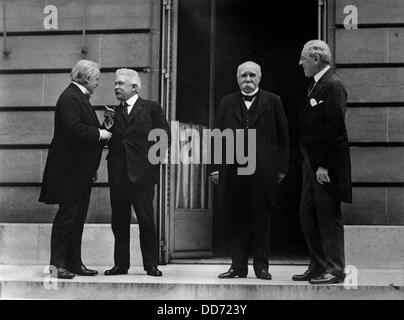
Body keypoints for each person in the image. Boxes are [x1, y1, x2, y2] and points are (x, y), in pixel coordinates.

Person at [211, 61, 289, 280]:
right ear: (237, 78)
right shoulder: (227, 102)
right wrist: (215, 168)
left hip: (262, 171)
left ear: (259, 78)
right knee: (236, 219)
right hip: (234, 171)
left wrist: (281, 168)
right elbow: (217, 135)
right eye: (243, 76)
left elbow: (283, 135)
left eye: (252, 76)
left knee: (261, 219)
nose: (248, 79)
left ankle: (262, 267)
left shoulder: (273, 101)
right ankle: (237, 267)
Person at [39, 60, 112, 279]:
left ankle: (72, 263)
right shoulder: (70, 98)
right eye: (97, 79)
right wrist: (100, 134)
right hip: (70, 172)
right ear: (86, 78)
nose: (98, 83)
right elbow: (73, 130)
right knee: (67, 217)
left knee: (76, 217)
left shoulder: (76, 97)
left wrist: (104, 126)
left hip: (78, 171)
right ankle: (58, 265)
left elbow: (80, 130)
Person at [292, 40, 352, 284]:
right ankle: (318, 265)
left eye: (303, 59)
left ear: (316, 60)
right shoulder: (318, 85)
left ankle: (335, 269)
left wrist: (324, 165)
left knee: (327, 217)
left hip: (325, 167)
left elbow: (335, 129)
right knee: (307, 215)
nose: (300, 63)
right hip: (312, 164)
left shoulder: (332, 85)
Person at [104, 68, 170, 277]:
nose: (116, 87)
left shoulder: (151, 108)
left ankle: (151, 265)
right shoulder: (113, 112)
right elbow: (106, 138)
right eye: (115, 83)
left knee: (146, 221)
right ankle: (121, 265)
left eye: (121, 83)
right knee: (119, 222)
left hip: (142, 177)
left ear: (134, 87)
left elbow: (163, 135)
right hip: (118, 176)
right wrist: (106, 125)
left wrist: (151, 165)